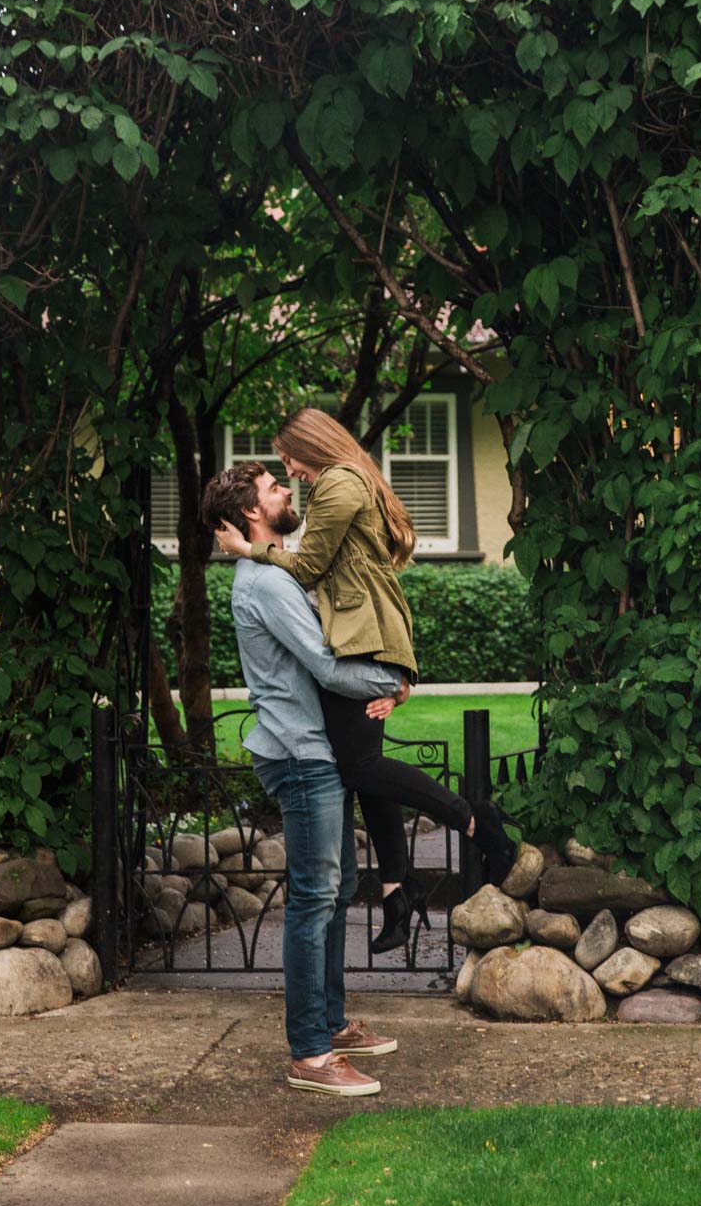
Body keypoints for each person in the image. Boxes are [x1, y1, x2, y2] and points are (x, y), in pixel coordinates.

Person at [215, 406, 518, 952]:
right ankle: (400, 893)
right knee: (362, 773)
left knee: (361, 766)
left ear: (310, 447)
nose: (291, 475)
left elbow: (305, 569)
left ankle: (473, 820)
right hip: (360, 643)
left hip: (361, 645)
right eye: (279, 474)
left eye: (289, 462)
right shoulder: (338, 486)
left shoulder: (338, 484)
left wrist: (248, 550)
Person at [201, 460, 405, 1097]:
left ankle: (333, 1023)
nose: (289, 490)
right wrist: (395, 681)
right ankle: (310, 1054)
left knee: (335, 890)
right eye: (274, 488)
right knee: (315, 897)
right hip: (300, 753)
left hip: (318, 750)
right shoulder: (264, 583)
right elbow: (325, 665)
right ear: (252, 515)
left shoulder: (277, 571)